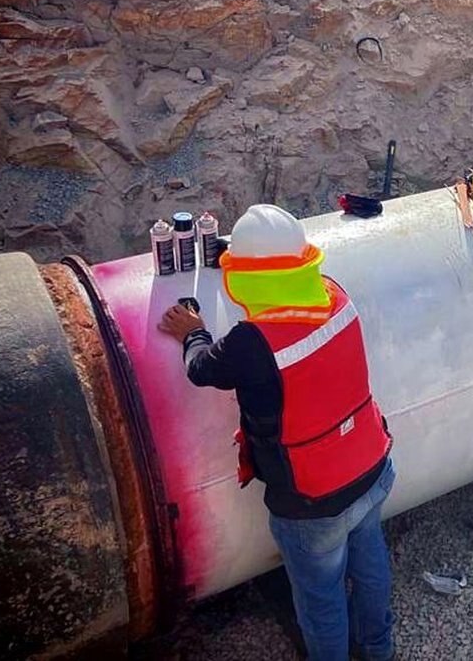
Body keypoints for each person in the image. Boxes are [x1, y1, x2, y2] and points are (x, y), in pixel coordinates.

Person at [158, 204, 396, 661]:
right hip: (372, 467)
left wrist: (194, 331)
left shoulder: (251, 342)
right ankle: (379, 650)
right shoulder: (334, 295)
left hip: (314, 502)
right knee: (370, 566)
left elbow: (201, 369)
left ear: (246, 279)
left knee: (321, 600)